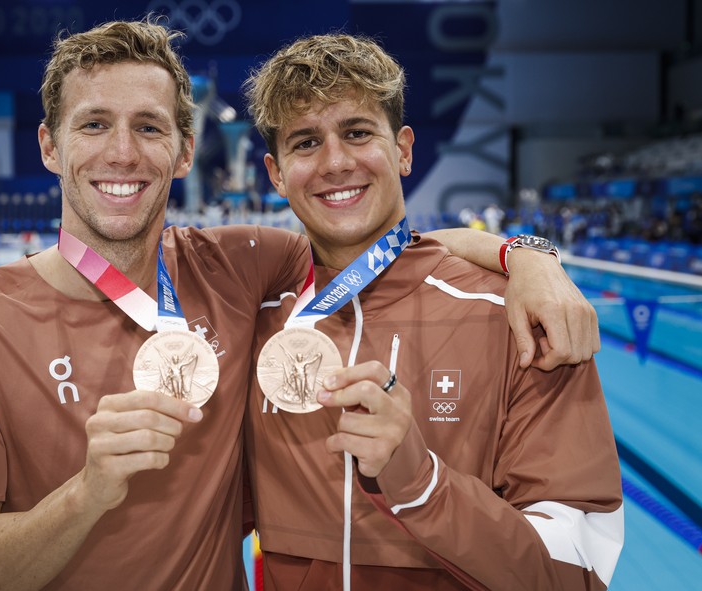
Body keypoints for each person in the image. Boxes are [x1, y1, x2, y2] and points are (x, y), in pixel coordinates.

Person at [0, 18, 600, 590]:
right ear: (50, 145)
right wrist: (86, 492)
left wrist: (524, 255)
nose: (122, 152)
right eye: (92, 126)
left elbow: (376, 241)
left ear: (182, 152)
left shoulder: (234, 270)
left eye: (148, 127)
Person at [243, 33, 623, 590]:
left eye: (356, 132)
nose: (335, 162)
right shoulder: (254, 316)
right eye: (305, 143)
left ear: (403, 149)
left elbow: (580, 571)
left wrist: (423, 486)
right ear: (277, 173)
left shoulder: (516, 317)